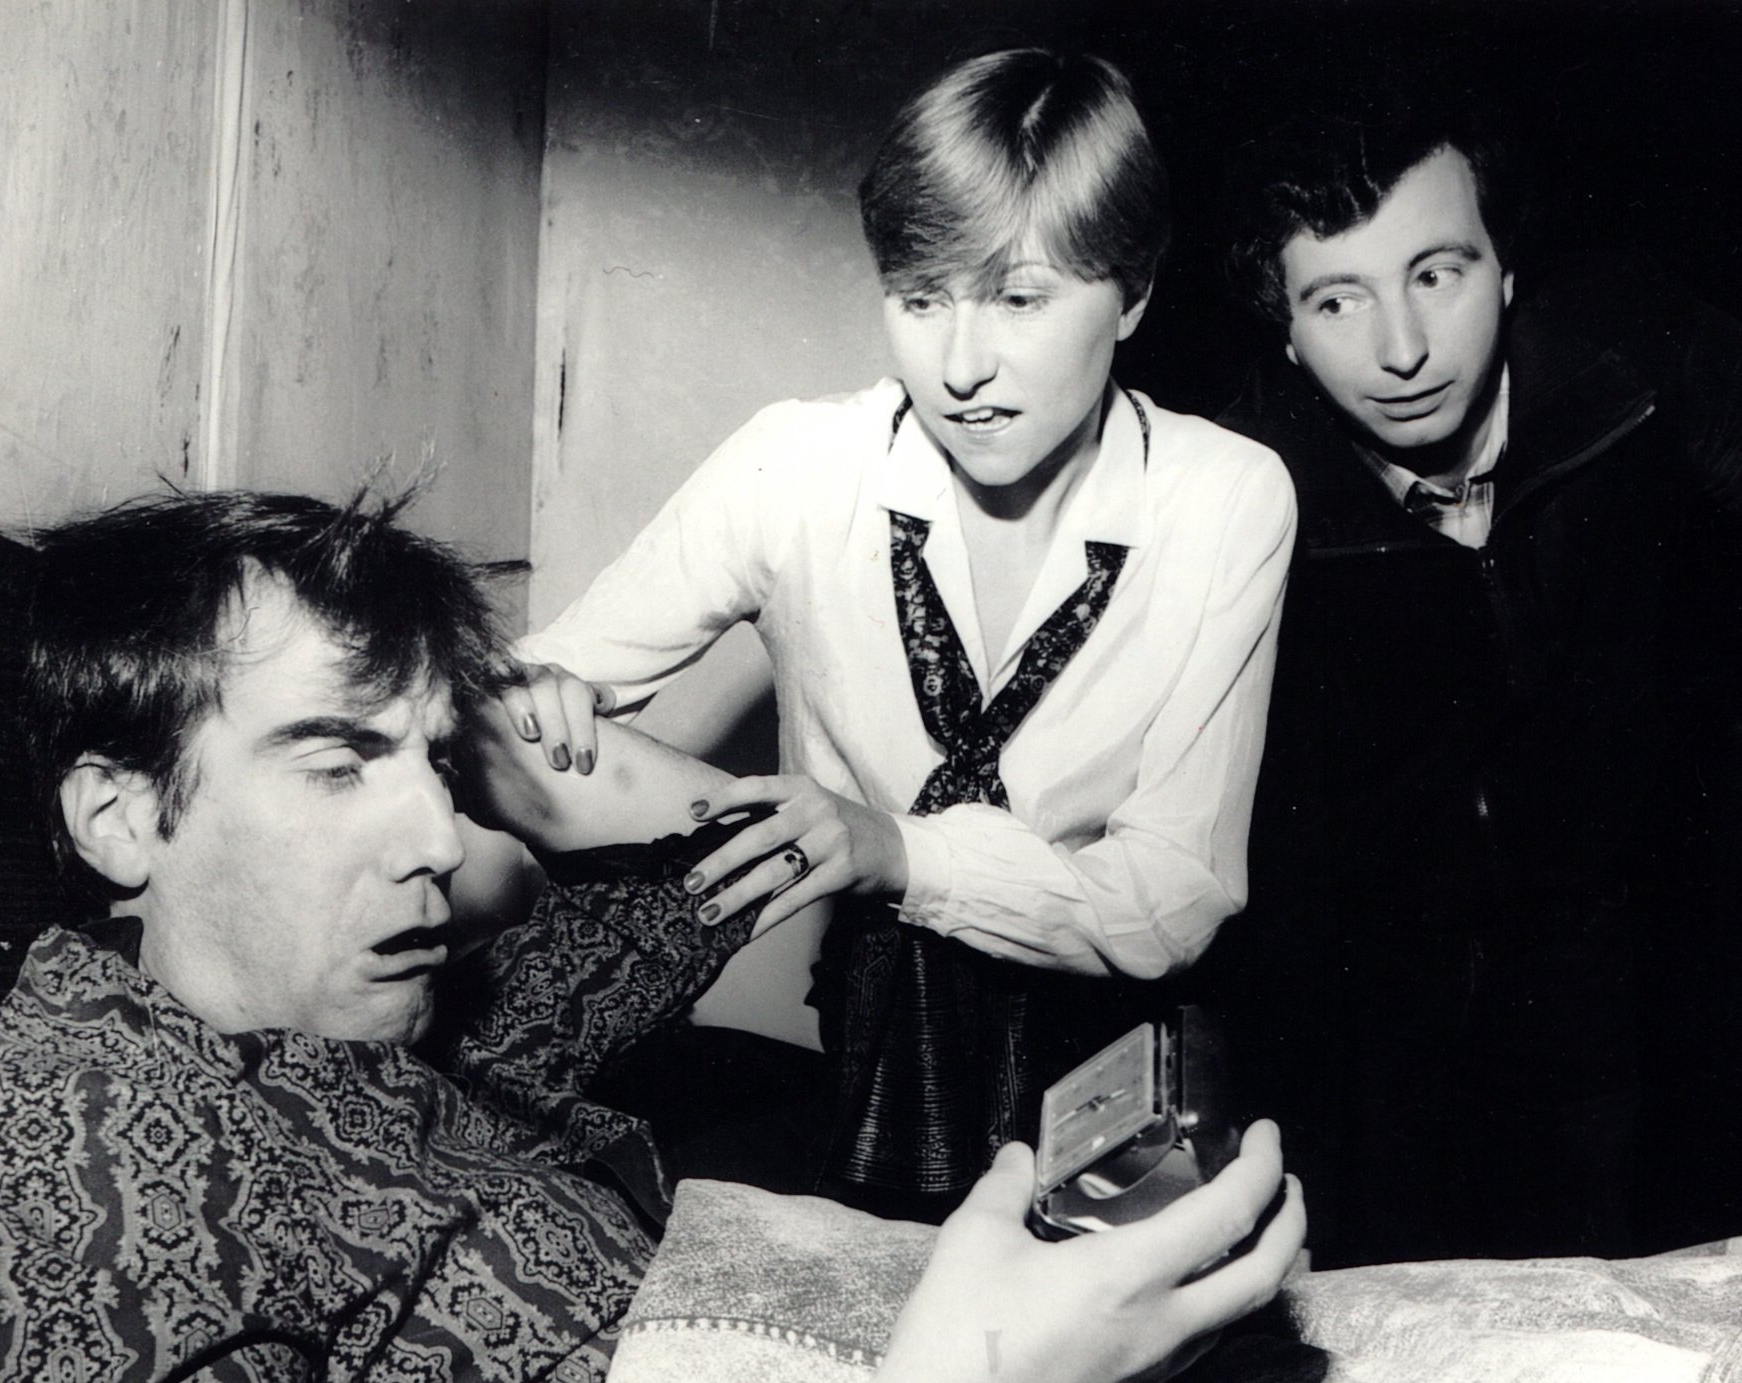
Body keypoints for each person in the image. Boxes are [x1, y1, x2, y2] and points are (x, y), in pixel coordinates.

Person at [0, 486, 1304, 1383]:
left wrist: (577, 774)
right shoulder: (75, 1121)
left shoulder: (383, 1018)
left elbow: (693, 889)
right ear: (122, 817)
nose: (436, 840)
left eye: (430, 764)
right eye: (335, 764)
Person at [1212, 97, 1742, 1264]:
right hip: (1357, 1049)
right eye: (1336, 300)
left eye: (1437, 273)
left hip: (1639, 1004)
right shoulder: (1226, 480)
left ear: (1506, 269)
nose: (1400, 349)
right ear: (1285, 333)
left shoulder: (1626, 353)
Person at [509, 48, 1297, 1218]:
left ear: (1131, 294)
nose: (961, 367)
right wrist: (538, 698)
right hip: (863, 1065)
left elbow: (1170, 897)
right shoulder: (799, 464)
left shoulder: (1224, 496)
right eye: (921, 298)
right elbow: (543, 679)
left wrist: (899, 852)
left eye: (1019, 299)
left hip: (1114, 1087)